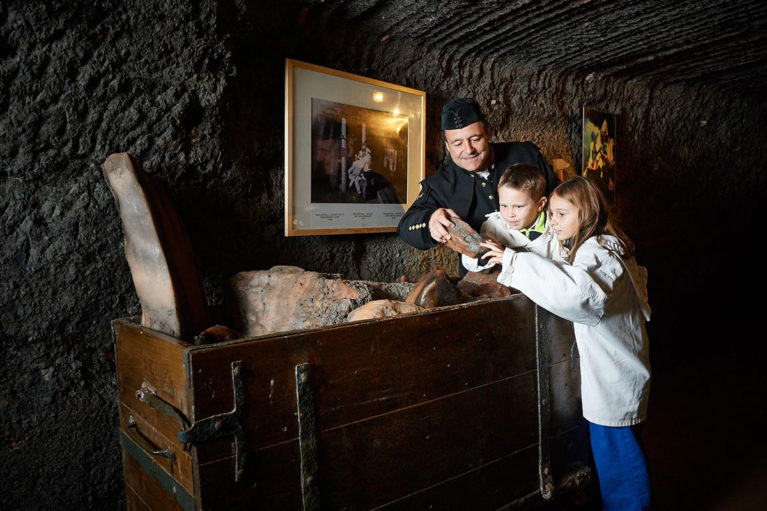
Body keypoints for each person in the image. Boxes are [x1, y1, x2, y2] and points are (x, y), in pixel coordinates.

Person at [481, 176, 652, 510]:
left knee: (621, 463)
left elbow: (578, 295)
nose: (553, 223)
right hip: (613, 368)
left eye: (561, 214)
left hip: (614, 374)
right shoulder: (598, 244)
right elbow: (561, 269)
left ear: (584, 213)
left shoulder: (598, 249)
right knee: (614, 457)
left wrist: (514, 262)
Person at [397, 97, 559, 275]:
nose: (468, 150)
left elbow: (561, 201)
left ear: (488, 133)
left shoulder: (526, 154)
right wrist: (430, 220)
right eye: (457, 143)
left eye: (475, 139)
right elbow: (406, 227)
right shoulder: (439, 184)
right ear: (447, 146)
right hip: (482, 286)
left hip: (545, 271)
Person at [462, 162, 561, 273]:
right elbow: (470, 259)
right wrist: (483, 257)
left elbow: (561, 267)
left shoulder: (556, 227)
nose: (510, 214)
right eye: (504, 205)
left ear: (540, 204)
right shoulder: (495, 226)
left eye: (518, 206)